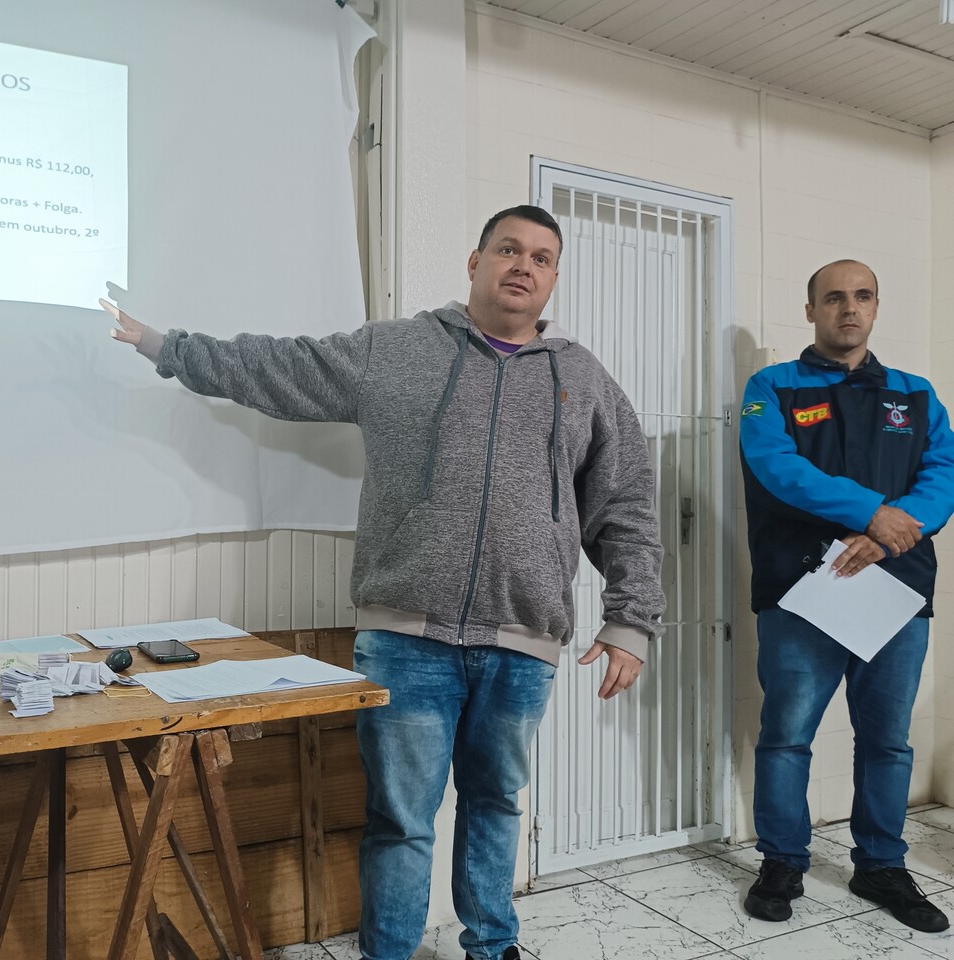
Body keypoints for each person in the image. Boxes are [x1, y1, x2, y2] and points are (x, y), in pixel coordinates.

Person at [104, 205, 665, 960]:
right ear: (475, 262)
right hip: (406, 639)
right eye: (507, 249)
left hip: (522, 640)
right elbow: (280, 367)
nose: (522, 265)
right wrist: (165, 346)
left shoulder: (584, 378)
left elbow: (626, 497)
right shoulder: (398, 350)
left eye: (541, 256)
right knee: (401, 819)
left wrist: (631, 618)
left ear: (554, 277)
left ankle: (492, 946)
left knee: (497, 806)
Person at [739, 259, 954, 933]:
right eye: (833, 298)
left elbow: (943, 474)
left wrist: (890, 535)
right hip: (803, 592)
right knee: (786, 738)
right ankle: (782, 861)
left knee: (888, 741)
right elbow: (778, 468)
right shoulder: (771, 387)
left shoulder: (916, 395)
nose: (848, 309)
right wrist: (870, 513)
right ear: (811, 310)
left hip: (897, 592)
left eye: (861, 297)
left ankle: (882, 865)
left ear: (876, 307)